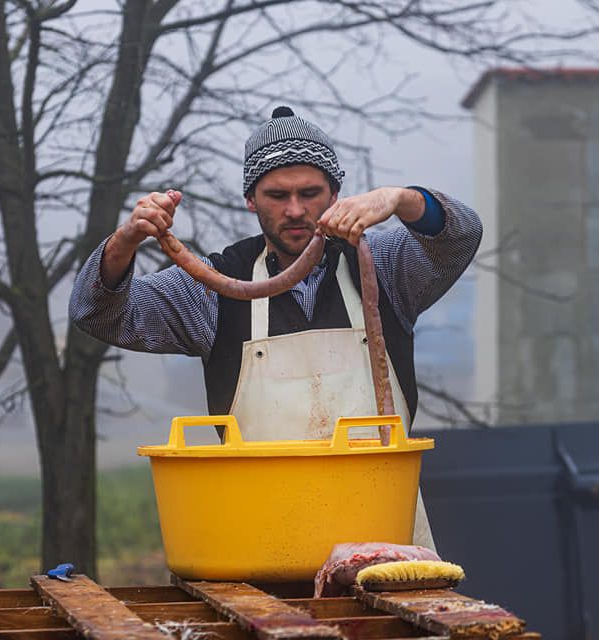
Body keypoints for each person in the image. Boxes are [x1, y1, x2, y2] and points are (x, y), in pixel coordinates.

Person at [69, 107, 482, 549]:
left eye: (310, 192)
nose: (296, 210)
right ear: (251, 199)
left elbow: (460, 237)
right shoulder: (213, 287)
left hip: (386, 540)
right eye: (276, 195)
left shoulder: (381, 266)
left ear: (335, 192)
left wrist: (403, 199)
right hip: (264, 546)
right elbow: (97, 312)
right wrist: (126, 240)